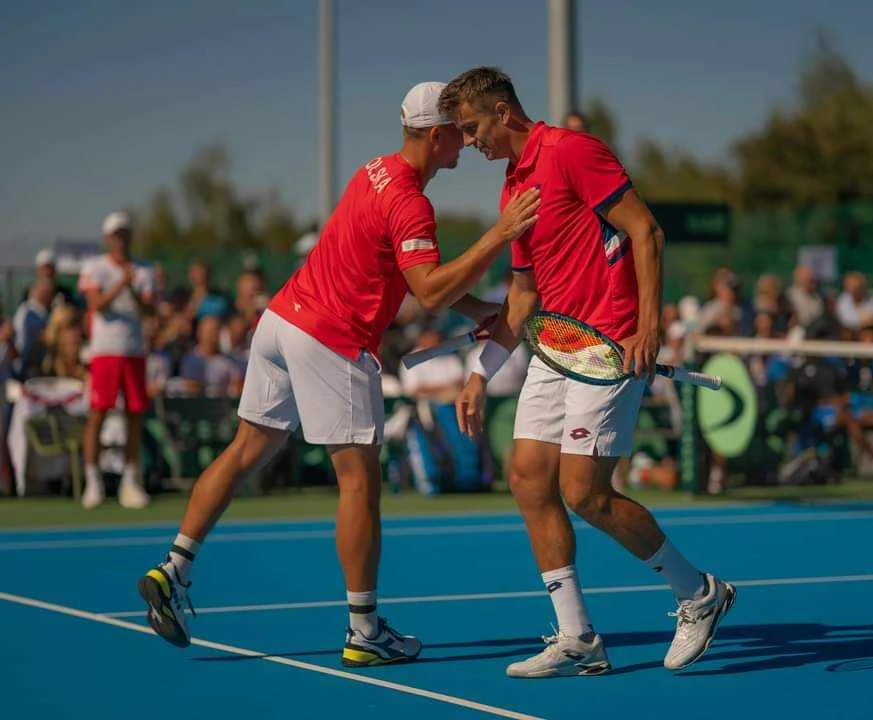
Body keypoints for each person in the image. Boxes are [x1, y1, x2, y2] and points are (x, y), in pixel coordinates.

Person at [136, 82, 540, 668]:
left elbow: (405, 273)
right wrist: (498, 236)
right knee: (359, 484)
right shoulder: (411, 201)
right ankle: (364, 630)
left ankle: (173, 567)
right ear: (435, 136)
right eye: (459, 128)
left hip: (281, 321)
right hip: (331, 339)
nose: (469, 137)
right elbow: (427, 289)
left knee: (245, 448)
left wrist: (481, 311)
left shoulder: (375, 170)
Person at [439, 67, 734, 678]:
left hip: (610, 350)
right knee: (527, 477)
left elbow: (645, 230)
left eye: (472, 129)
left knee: (583, 493)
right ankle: (577, 638)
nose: (469, 143)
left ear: (503, 111)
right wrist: (478, 374)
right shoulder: (512, 187)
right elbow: (522, 299)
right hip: (558, 346)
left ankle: (698, 592)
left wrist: (647, 327)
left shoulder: (573, 152)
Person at [77, 211, 158, 510]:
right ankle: (93, 481)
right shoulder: (95, 267)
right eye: (116, 235)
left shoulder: (145, 270)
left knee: (134, 416)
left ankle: (131, 482)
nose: (121, 240)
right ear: (108, 238)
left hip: (134, 351)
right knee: (98, 414)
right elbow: (96, 304)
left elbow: (148, 312)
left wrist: (133, 287)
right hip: (104, 351)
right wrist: (122, 282)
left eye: (125, 234)